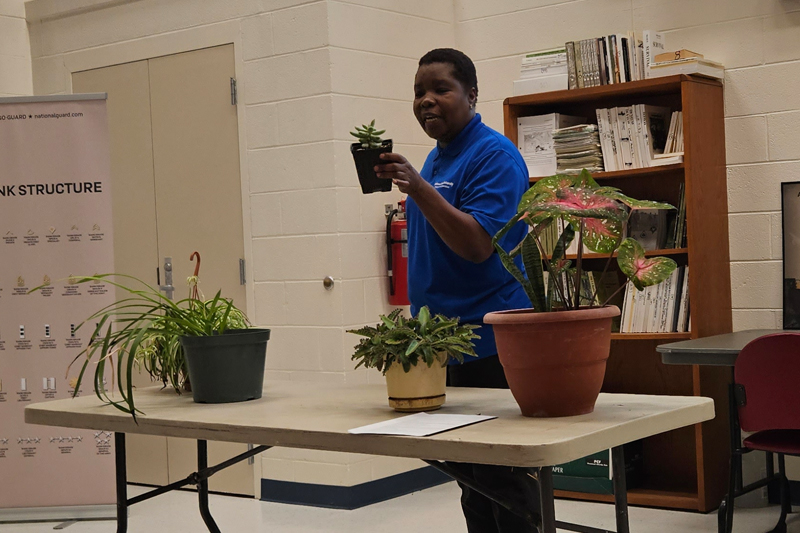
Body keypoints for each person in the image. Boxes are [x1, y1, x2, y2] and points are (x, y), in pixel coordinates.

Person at [375, 48, 540, 533]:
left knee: (502, 481)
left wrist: (417, 187)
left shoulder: (494, 155)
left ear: (471, 94)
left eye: (440, 89)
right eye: (418, 92)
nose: (426, 101)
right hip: (446, 344)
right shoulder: (439, 156)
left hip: (490, 344)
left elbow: (476, 246)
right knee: (472, 480)